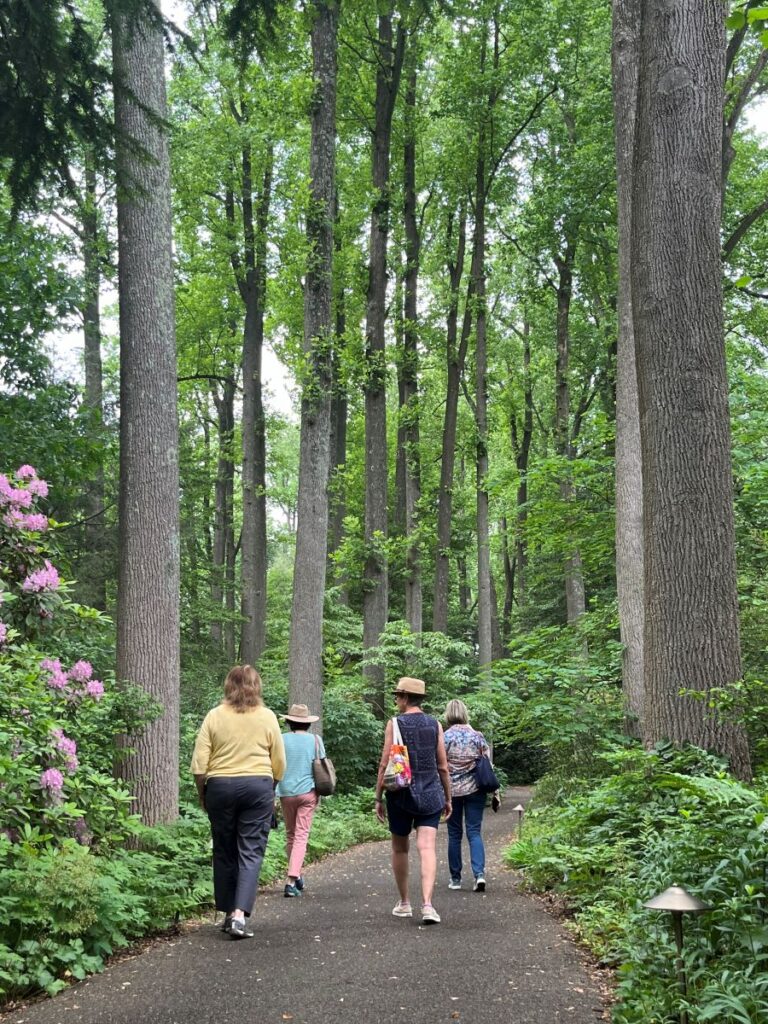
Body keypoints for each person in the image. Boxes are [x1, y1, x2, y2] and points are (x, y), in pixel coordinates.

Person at [191, 664, 286, 939]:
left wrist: (203, 793)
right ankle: (239, 916)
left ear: (228, 686)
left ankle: (227, 912)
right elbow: (278, 761)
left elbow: (199, 764)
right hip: (258, 785)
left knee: (224, 849)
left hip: (220, 786)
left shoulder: (214, 716)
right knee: (251, 849)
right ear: (257, 687)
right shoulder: (267, 717)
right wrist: (271, 786)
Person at [374, 677, 452, 925]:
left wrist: (378, 797)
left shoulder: (394, 724)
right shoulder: (435, 724)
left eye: (398, 696)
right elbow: (443, 766)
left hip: (400, 793)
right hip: (430, 794)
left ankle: (405, 903)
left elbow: (385, 762)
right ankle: (428, 905)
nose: (396, 700)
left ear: (406, 697)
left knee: (400, 847)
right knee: (427, 848)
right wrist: (448, 797)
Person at [276, 703, 326, 898]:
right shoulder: (315, 740)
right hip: (308, 792)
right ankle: (291, 879)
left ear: (289, 722)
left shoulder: (281, 739)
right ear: (307, 724)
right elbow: (321, 765)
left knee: (290, 834)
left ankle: (297, 876)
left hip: (286, 792)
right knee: (301, 835)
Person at [443, 698, 491, 892]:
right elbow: (488, 763)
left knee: (454, 835)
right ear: (464, 713)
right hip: (475, 790)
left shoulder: (444, 737)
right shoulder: (477, 736)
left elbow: (440, 765)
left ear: (448, 714)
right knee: (474, 832)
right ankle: (479, 875)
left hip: (452, 791)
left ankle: (455, 879)